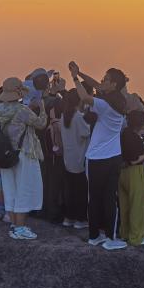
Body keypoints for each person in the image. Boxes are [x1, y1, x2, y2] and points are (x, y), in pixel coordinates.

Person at [69, 62, 128, 251]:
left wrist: (75, 78)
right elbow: (96, 86)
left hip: (95, 158)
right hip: (113, 157)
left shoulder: (103, 105)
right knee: (110, 198)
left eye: (106, 79)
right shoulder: (118, 101)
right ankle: (110, 237)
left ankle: (94, 235)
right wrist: (81, 73)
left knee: (94, 198)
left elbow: (85, 96)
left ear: (113, 85)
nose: (102, 81)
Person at [0, 77, 48, 241]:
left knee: (10, 190)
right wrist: (43, 108)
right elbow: (41, 124)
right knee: (25, 189)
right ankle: (20, 227)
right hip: (24, 153)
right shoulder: (22, 110)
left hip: (6, 154)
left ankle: (14, 224)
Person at [55, 89, 90, 229]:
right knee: (81, 191)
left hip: (68, 159)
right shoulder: (78, 117)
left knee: (70, 190)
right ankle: (80, 219)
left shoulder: (64, 116)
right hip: (79, 159)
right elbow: (86, 133)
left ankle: (69, 217)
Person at [118, 109, 144, 247]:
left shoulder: (124, 133)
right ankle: (136, 237)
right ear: (141, 123)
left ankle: (124, 233)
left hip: (122, 173)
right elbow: (135, 160)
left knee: (124, 204)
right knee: (137, 205)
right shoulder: (135, 138)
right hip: (135, 172)